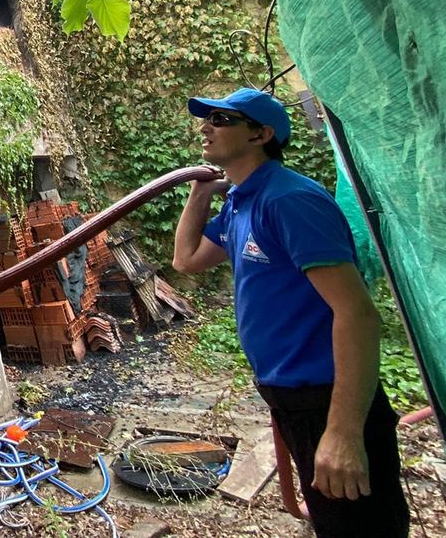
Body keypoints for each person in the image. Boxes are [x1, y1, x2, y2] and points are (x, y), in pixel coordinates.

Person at [173, 87, 409, 538]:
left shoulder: (289, 201)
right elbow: (187, 260)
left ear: (261, 134)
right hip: (290, 397)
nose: (205, 127)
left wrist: (342, 432)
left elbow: (357, 314)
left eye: (222, 120)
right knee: (332, 518)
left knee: (360, 527)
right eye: (207, 120)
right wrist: (200, 192)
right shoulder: (243, 201)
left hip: (327, 397)